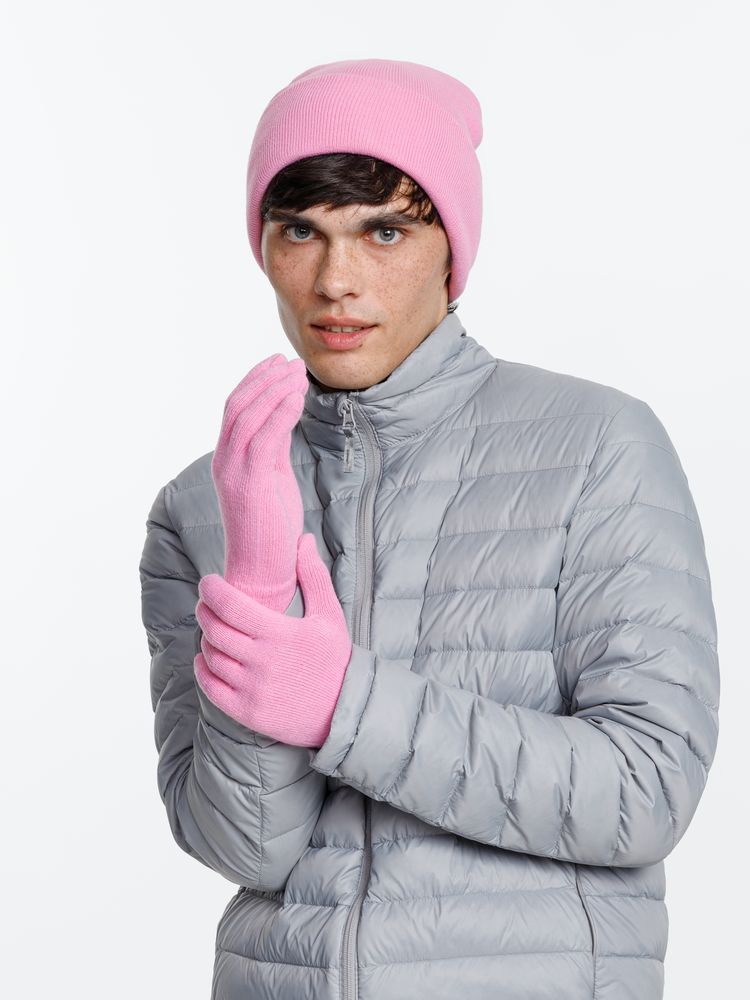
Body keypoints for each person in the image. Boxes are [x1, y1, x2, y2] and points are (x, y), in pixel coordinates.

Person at [139, 59, 720, 1000]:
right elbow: (244, 847)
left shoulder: (596, 444)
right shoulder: (200, 507)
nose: (336, 280)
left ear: (452, 248)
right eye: (301, 231)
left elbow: (645, 793)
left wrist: (342, 702)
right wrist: (257, 583)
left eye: (384, 231)